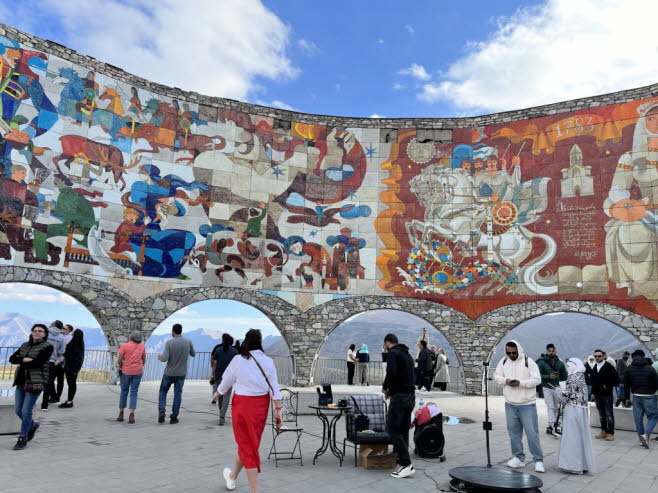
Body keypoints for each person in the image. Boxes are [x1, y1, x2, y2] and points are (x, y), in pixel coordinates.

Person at [217, 329, 282, 493]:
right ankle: (231, 477)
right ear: (260, 342)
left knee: (248, 446)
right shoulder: (268, 361)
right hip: (261, 407)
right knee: (249, 444)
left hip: (242, 405)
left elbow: (227, 379)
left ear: (246, 341)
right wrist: (278, 409)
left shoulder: (238, 360)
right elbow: (274, 386)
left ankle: (255, 491)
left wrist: (219, 392)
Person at [494, 340, 544, 473]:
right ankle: (518, 458)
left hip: (527, 404)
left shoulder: (529, 362)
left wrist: (520, 383)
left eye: (513, 352)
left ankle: (538, 460)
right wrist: (506, 381)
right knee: (514, 434)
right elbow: (496, 376)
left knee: (532, 433)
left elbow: (537, 380)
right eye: (508, 352)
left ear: (519, 350)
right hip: (510, 403)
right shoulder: (503, 361)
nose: (511, 355)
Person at [9, 324, 53, 450]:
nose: (37, 333)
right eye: (35, 331)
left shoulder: (47, 347)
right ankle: (32, 425)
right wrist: (25, 359)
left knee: (26, 411)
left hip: (35, 382)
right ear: (32, 332)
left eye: (40, 331)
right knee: (18, 410)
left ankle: (23, 437)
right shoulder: (25, 345)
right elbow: (12, 359)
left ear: (45, 334)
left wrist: (22, 360)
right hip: (21, 381)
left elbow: (38, 363)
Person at [382, 333, 416, 479]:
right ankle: (401, 461)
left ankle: (406, 464)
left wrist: (386, 389)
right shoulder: (407, 355)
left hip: (400, 398)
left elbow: (391, 373)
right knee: (403, 431)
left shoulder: (393, 353)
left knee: (391, 429)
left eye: (385, 345)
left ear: (387, 343)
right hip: (410, 397)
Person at [558, 358, 596, 474]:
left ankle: (573, 466)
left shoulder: (573, 378)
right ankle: (581, 464)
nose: (567, 368)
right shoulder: (581, 376)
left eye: (569, 366)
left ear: (575, 366)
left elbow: (567, 395)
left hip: (572, 409)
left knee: (572, 436)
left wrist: (559, 391)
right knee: (580, 436)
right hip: (581, 409)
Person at [157, 323, 195, 424]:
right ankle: (174, 417)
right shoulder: (188, 341)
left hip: (169, 373)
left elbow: (164, 358)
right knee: (177, 395)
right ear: (181, 331)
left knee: (163, 392)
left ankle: (161, 411)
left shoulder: (169, 342)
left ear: (173, 331)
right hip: (181, 373)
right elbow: (193, 354)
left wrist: (160, 356)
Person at [623, 349, 658, 448]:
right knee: (653, 416)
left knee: (638, 419)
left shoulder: (629, 368)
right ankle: (646, 435)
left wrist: (627, 398)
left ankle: (642, 440)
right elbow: (656, 383)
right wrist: (651, 391)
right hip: (649, 396)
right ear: (643, 356)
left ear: (633, 357)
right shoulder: (650, 368)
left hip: (636, 396)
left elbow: (626, 385)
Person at [537, 344, 567, 435]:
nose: (551, 352)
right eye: (549, 351)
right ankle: (551, 425)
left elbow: (564, 375)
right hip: (547, 387)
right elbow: (537, 375)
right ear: (546, 351)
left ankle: (554, 425)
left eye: (552, 351)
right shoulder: (542, 363)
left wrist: (562, 386)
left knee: (557, 407)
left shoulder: (560, 363)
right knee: (550, 406)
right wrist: (548, 376)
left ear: (555, 351)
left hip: (557, 388)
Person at [117, 330, 146, 423]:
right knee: (134, 392)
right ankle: (131, 414)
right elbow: (144, 358)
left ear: (131, 337)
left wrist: (121, 366)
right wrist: (140, 366)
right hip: (138, 371)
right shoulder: (142, 346)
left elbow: (119, 359)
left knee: (124, 392)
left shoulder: (124, 346)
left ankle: (121, 413)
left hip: (125, 371)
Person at [590, 349, 619, 441]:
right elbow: (594, 381)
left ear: (604, 356)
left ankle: (610, 433)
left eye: (599, 356)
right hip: (597, 395)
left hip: (607, 395)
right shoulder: (595, 367)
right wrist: (593, 393)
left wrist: (606, 385)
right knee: (601, 414)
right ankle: (603, 431)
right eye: (595, 356)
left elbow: (616, 380)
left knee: (609, 414)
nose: (597, 358)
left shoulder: (609, 367)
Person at [212, 333, 238, 425]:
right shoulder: (235, 352)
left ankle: (221, 413)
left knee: (220, 395)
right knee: (226, 397)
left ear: (223, 341)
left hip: (219, 375)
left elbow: (214, 364)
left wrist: (213, 375)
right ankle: (222, 416)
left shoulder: (218, 350)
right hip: (230, 378)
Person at [41, 320, 66, 410]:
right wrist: (56, 361)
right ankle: (44, 405)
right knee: (48, 383)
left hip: (40, 360)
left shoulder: (45, 332)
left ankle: (28, 402)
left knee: (33, 379)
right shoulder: (62, 337)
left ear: (53, 324)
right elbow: (61, 352)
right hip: (51, 362)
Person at [58, 328, 84, 408]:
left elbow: (67, 354)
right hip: (74, 367)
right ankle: (69, 400)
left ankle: (69, 402)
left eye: (73, 331)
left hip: (71, 367)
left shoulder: (73, 344)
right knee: (72, 384)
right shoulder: (80, 343)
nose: (72, 332)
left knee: (71, 384)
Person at [53, 323, 73, 403]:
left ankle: (56, 397)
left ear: (69, 331)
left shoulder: (69, 338)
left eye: (65, 329)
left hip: (61, 362)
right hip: (56, 360)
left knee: (59, 380)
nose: (63, 329)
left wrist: (58, 361)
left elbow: (65, 352)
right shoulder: (60, 336)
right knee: (52, 380)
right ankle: (54, 396)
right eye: (63, 328)